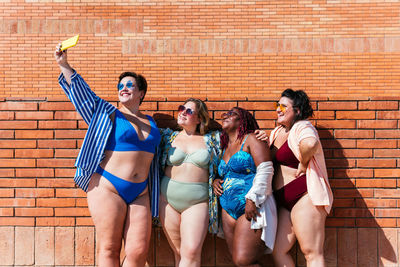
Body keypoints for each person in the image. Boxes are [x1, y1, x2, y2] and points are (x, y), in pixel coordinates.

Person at [54, 43, 160, 267]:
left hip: (140, 191)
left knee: (138, 252)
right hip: (108, 186)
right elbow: (84, 96)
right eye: (121, 85)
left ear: (141, 93)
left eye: (130, 85)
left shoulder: (152, 122)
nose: (124, 88)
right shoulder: (107, 113)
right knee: (109, 248)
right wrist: (65, 65)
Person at [158, 100, 269, 267]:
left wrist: (261, 134)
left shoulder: (214, 140)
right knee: (179, 252)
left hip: (196, 203)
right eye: (181, 108)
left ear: (200, 119)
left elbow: (238, 141)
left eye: (189, 111)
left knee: (191, 252)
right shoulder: (167, 136)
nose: (182, 112)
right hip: (167, 201)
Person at [269, 89, 333, 267]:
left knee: (311, 253)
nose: (278, 109)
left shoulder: (303, 127)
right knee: (278, 251)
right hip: (283, 201)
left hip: (304, 196)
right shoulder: (277, 132)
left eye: (283, 106)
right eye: (277, 105)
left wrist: (304, 162)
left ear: (297, 111)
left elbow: (310, 143)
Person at [212, 107, 277, 266]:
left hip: (251, 207)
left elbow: (266, 169)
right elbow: (226, 173)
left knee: (243, 260)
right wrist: (216, 181)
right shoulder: (224, 145)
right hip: (227, 211)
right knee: (238, 262)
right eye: (225, 113)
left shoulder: (252, 139)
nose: (226, 115)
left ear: (243, 120)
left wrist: (252, 199)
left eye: (232, 114)